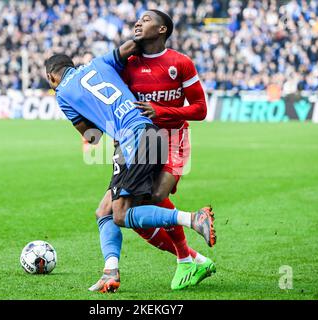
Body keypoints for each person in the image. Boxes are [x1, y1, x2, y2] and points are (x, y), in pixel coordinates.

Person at [45, 40, 216, 293]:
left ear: (51, 77)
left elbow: (92, 137)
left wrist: (97, 118)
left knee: (122, 214)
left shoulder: (62, 94)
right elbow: (130, 48)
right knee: (104, 211)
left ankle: (193, 219)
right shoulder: (100, 62)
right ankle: (110, 272)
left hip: (132, 139)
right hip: (153, 132)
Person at [94, 10, 215, 291]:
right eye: (138, 19)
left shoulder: (180, 63)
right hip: (137, 142)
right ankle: (189, 259)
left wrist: (160, 109)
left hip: (172, 137)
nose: (139, 22)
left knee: (157, 195)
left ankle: (188, 256)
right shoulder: (127, 65)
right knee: (128, 211)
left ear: (162, 30)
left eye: (146, 19)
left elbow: (200, 109)